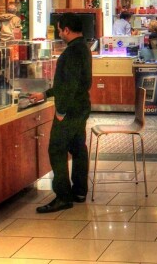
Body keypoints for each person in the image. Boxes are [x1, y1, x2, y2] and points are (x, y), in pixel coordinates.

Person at [33, 13, 93, 212]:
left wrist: (61, 110)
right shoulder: (82, 48)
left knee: (57, 149)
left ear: (66, 29)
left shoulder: (71, 53)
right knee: (78, 148)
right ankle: (79, 191)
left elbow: (70, 85)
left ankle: (63, 196)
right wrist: (45, 94)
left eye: (60, 29)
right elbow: (69, 83)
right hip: (81, 106)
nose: (59, 33)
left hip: (70, 110)